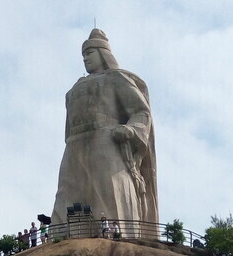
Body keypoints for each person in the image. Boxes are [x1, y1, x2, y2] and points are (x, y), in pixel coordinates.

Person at [51, 29, 158, 236]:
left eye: (89, 54)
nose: (85, 59)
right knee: (66, 196)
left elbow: (141, 111)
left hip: (106, 142)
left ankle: (117, 234)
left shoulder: (117, 78)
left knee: (109, 193)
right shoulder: (74, 89)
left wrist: (130, 129)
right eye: (83, 56)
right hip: (74, 146)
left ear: (102, 53)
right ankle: (61, 236)